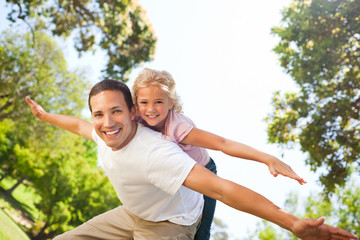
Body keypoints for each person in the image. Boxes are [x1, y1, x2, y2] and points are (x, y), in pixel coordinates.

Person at [25, 79, 357, 240]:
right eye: (100, 114)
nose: (107, 123)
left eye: (116, 112)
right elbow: (79, 125)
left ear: (131, 112)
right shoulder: (102, 130)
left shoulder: (158, 151)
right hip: (133, 214)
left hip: (170, 223)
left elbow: (222, 188)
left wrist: (291, 222)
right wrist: (46, 116)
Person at [132, 68, 306, 239]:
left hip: (204, 169)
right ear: (136, 102)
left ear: (171, 103)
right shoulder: (137, 117)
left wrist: (268, 158)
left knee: (202, 231)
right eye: (144, 102)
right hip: (177, 175)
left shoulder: (178, 127)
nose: (151, 109)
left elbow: (222, 143)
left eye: (159, 102)